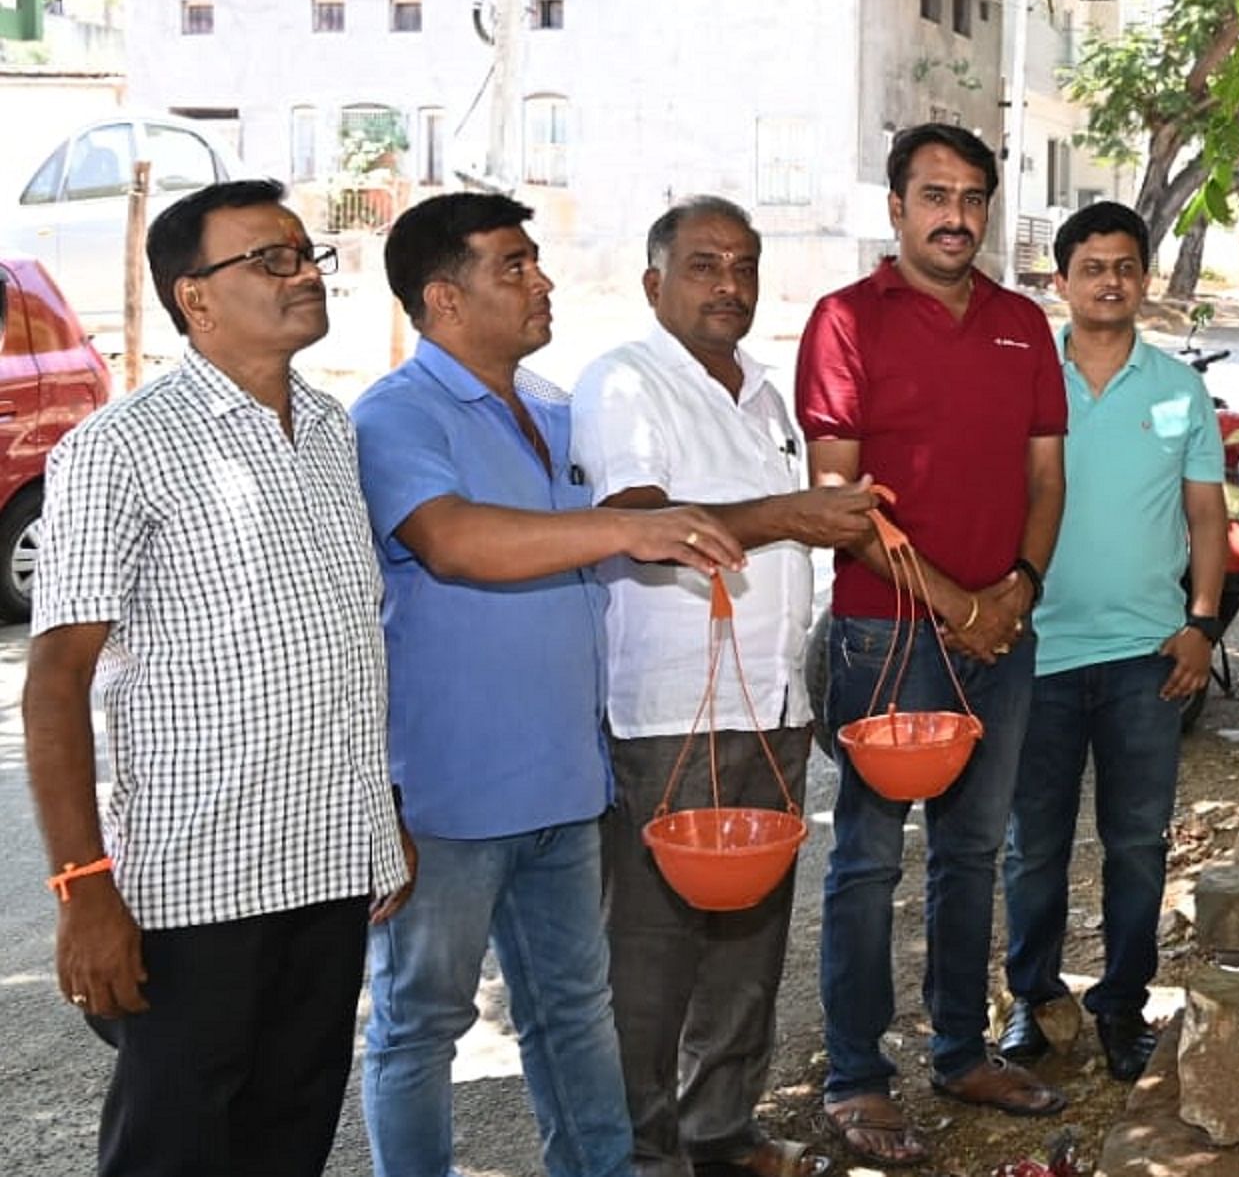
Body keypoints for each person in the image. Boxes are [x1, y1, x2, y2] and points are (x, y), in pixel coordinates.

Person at [22, 180, 411, 1177]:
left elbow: (339, 640)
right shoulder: (122, 447)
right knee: (178, 1149)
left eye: (307, 254)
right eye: (271, 260)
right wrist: (81, 889)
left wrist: (382, 807)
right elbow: (57, 676)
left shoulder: (330, 429)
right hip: (198, 883)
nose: (305, 275)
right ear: (195, 297)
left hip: (328, 865)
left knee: (289, 1138)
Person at [353, 191, 745, 1177]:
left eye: (536, 262)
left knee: (575, 1011)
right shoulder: (395, 416)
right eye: (513, 267)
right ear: (442, 299)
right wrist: (623, 528)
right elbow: (450, 540)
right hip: (445, 797)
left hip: (566, 785)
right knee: (419, 1024)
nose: (543, 281)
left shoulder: (561, 411)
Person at [573, 196, 880, 1177]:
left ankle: (722, 1131)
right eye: (704, 265)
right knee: (653, 950)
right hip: (671, 712)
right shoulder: (625, 381)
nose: (729, 285)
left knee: (749, 938)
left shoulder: (758, 387)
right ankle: (641, 1152)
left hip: (771, 702)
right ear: (654, 281)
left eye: (744, 266)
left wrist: (805, 517)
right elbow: (636, 515)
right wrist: (790, 513)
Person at [797, 124, 1069, 1166]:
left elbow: (1047, 480)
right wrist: (958, 602)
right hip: (884, 632)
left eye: (972, 197)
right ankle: (856, 1078)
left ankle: (961, 1048)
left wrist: (1019, 590)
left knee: (971, 846)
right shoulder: (845, 321)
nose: (955, 215)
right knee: (867, 858)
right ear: (897, 207)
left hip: (1003, 630)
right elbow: (841, 500)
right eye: (934, 195)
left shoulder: (1019, 324)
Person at [995, 202, 1228, 1082]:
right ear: (1060, 281)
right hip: (1038, 652)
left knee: (1138, 842)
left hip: (1146, 657)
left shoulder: (1178, 389)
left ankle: (1122, 1006)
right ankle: (1034, 1000)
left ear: (1143, 278)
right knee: (1035, 844)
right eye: (1091, 266)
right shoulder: (1025, 383)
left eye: (1126, 266)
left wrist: (1201, 623)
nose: (1110, 281)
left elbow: (1206, 513)